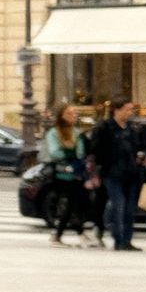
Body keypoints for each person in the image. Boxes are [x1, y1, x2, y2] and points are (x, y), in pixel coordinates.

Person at [90, 94, 144, 251]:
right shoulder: (104, 127)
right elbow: (95, 150)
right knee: (118, 205)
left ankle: (127, 240)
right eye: (127, 110)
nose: (130, 113)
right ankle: (118, 239)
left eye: (131, 110)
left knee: (129, 209)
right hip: (111, 173)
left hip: (130, 173)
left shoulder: (131, 128)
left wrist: (140, 157)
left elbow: (137, 147)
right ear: (117, 110)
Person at [43, 102, 89, 245]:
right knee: (69, 203)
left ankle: (63, 233)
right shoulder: (54, 132)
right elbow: (54, 152)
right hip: (61, 174)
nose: (73, 116)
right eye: (69, 113)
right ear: (62, 116)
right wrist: (71, 152)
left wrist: (73, 153)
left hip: (76, 172)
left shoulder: (76, 132)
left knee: (76, 203)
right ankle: (68, 233)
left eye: (75, 113)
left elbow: (81, 152)